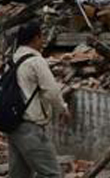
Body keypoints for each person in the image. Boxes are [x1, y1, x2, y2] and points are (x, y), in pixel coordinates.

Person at [8, 22, 70, 178]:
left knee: (19, 174)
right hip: (30, 126)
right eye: (41, 37)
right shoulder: (36, 61)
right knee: (51, 173)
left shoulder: (13, 60)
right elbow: (52, 92)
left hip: (13, 125)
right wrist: (62, 109)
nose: (43, 41)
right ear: (36, 38)